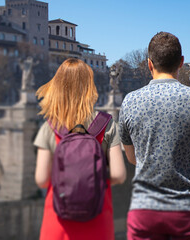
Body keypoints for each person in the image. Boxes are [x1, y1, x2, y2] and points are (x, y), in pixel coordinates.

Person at [118, 32, 190, 240]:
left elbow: (132, 157)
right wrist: (185, 147)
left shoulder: (129, 102)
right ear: (181, 62)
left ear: (149, 64)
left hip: (144, 211)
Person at [33, 58, 126, 240]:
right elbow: (118, 175)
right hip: (97, 222)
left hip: (58, 224)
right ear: (90, 87)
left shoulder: (50, 126)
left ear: (58, 86)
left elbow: (42, 179)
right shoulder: (107, 125)